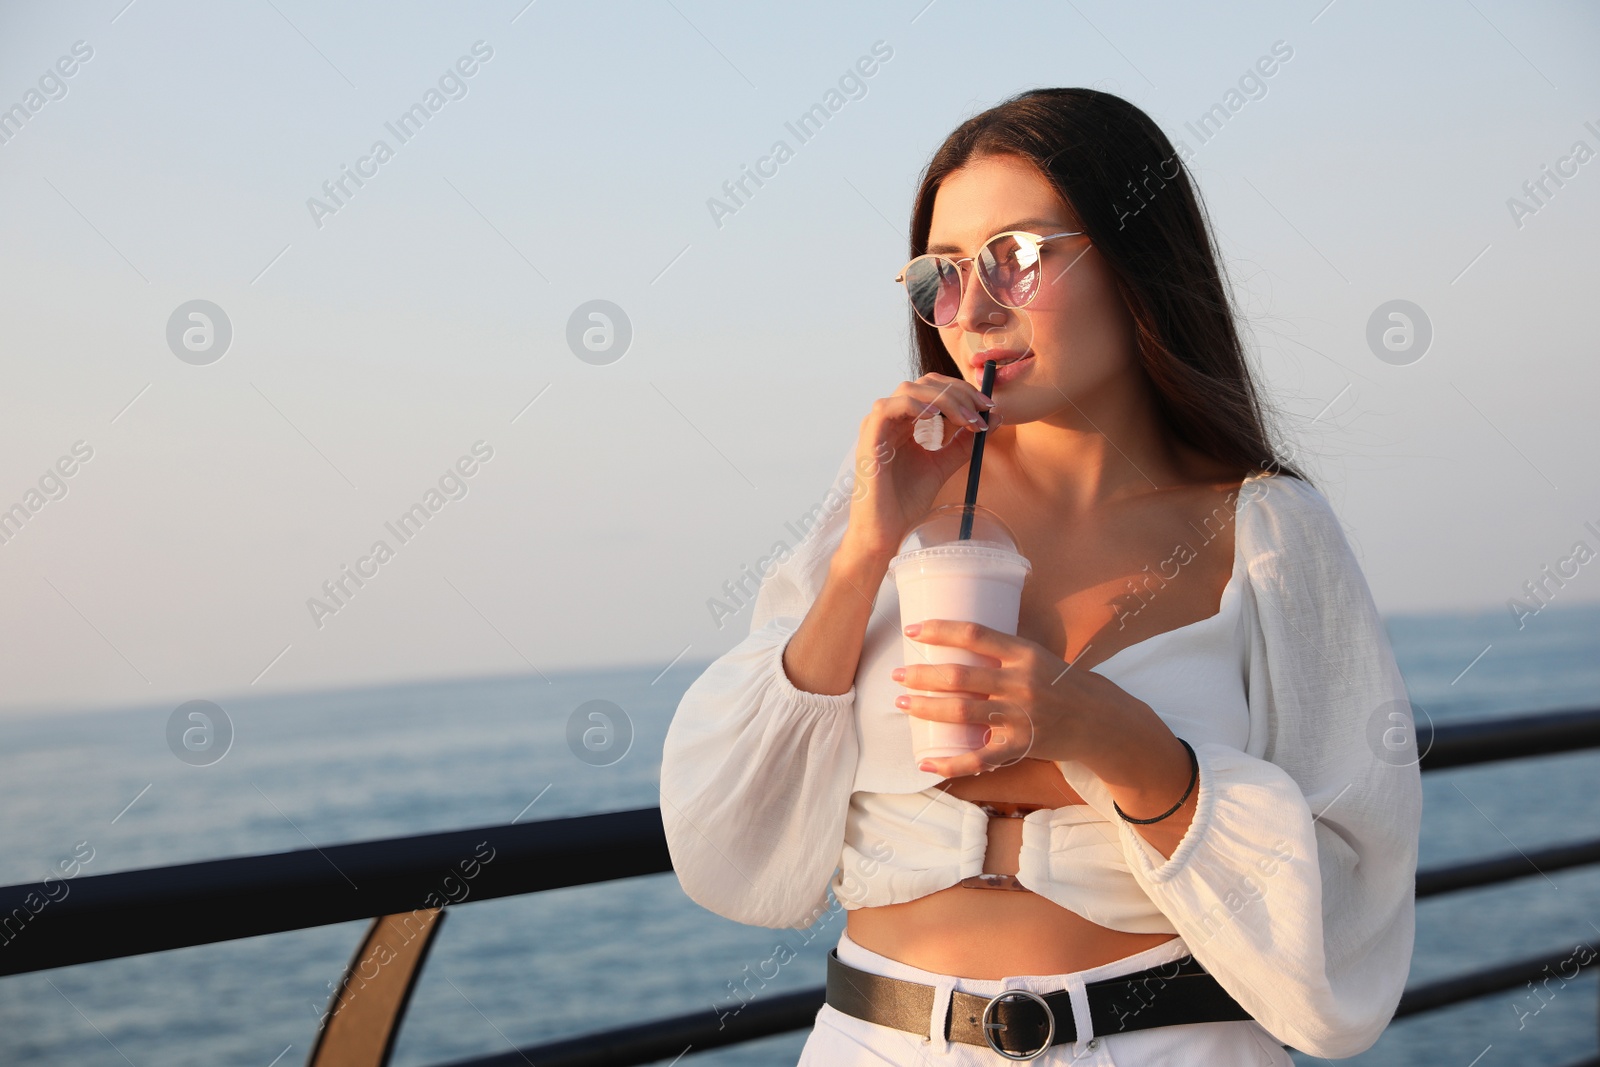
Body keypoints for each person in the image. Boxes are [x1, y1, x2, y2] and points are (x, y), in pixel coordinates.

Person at [660, 87, 1422, 1065]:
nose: (970, 310)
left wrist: (1114, 736)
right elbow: (728, 842)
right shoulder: (878, 511)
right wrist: (862, 553)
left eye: (1015, 258)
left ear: (1134, 258)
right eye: (939, 274)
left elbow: (1349, 919)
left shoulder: (1268, 533)